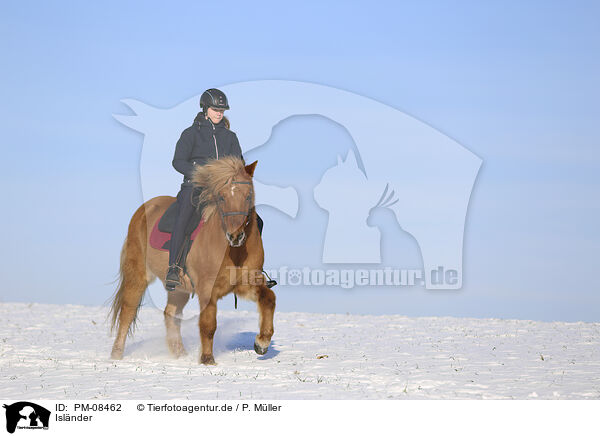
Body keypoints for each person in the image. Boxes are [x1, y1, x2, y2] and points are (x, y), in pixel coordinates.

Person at [165, 88, 243, 290]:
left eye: (222, 110)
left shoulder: (230, 137)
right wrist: (199, 172)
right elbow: (177, 161)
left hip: (223, 190)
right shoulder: (191, 134)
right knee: (184, 216)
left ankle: (252, 268)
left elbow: (239, 163)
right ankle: (173, 268)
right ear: (205, 108)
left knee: (252, 218)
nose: (219, 113)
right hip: (195, 187)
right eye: (216, 109)